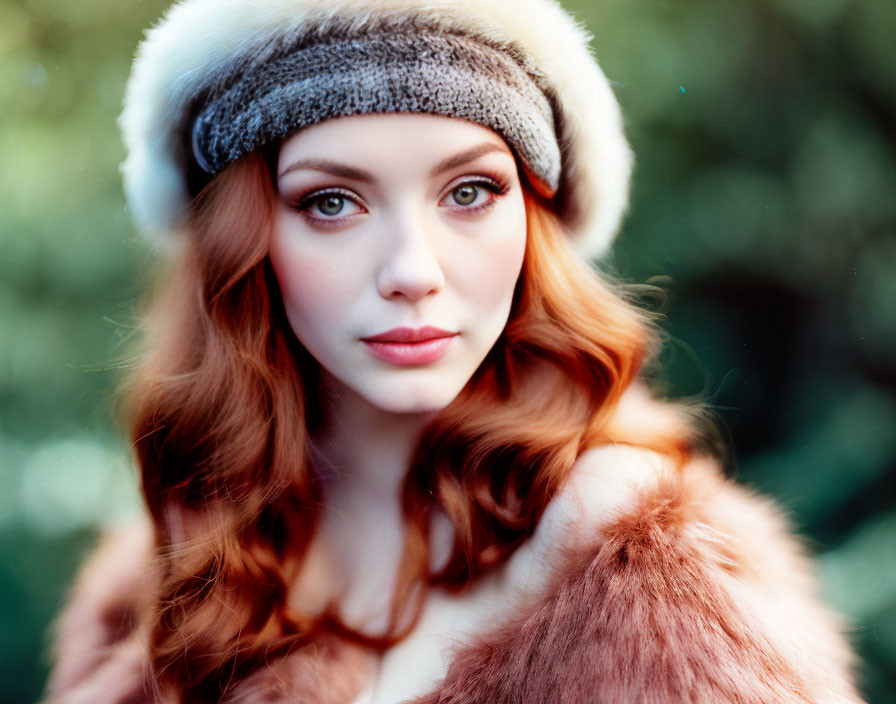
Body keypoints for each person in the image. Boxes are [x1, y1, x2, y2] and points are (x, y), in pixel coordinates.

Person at [45, 0, 865, 702]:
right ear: (243, 249)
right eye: (333, 202)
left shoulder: (632, 560)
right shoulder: (173, 580)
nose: (412, 270)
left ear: (534, 222)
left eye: (469, 192)